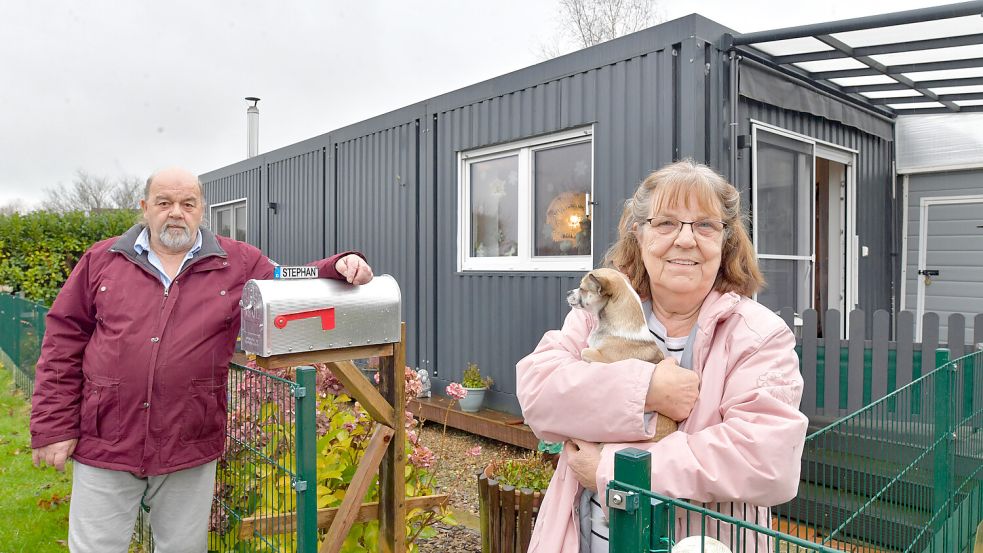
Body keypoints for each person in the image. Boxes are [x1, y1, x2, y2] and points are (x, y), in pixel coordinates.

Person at [29, 167, 373, 553]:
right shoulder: (102, 260)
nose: (176, 212)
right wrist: (54, 426)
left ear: (201, 210)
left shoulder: (238, 262)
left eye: (187, 203)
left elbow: (290, 277)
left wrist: (339, 265)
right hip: (106, 435)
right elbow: (63, 339)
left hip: (187, 440)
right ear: (145, 207)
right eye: (164, 202)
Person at [516, 159, 808, 552]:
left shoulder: (758, 335)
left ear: (726, 241)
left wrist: (612, 468)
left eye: (705, 225)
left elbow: (767, 461)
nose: (685, 239)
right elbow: (537, 393)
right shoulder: (596, 315)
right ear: (638, 234)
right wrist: (647, 389)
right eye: (665, 223)